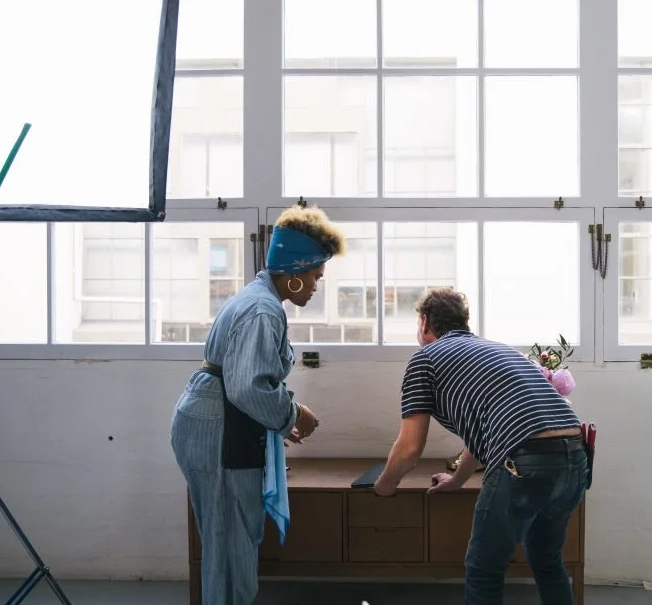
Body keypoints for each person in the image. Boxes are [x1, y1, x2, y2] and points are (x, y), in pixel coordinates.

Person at [170, 204, 345, 605]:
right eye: (316, 275)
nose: (318, 285)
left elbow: (246, 382)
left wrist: (271, 425)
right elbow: (248, 389)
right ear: (296, 271)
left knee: (230, 536)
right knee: (230, 540)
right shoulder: (263, 311)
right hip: (218, 428)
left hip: (216, 419)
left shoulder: (258, 299)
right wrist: (291, 414)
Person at [372, 288, 590, 605]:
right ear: (463, 321)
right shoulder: (500, 351)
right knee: (546, 560)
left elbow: (409, 448)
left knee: (484, 569)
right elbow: (486, 436)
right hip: (575, 458)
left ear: (423, 323)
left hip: (524, 461)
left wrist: (384, 486)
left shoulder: (425, 359)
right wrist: (458, 480)